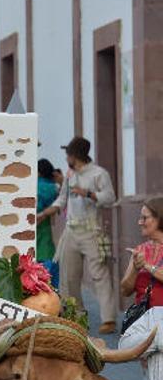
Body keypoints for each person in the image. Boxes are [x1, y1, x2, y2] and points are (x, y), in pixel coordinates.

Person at [38, 137, 117, 333]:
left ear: (75, 156)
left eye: (68, 154)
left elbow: (110, 197)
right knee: (69, 277)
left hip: (91, 230)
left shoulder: (99, 174)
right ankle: (77, 316)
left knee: (99, 274)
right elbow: (62, 200)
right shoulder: (70, 175)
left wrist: (89, 194)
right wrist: (43, 214)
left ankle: (108, 318)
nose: (66, 158)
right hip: (71, 231)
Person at [121, 198, 163, 310]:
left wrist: (146, 265)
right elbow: (125, 291)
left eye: (144, 218)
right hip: (144, 321)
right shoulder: (140, 250)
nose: (140, 222)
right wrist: (135, 268)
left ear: (159, 218)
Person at [36, 159, 58, 263]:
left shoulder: (33, 186)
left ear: (39, 172)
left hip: (33, 225)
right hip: (45, 226)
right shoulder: (54, 187)